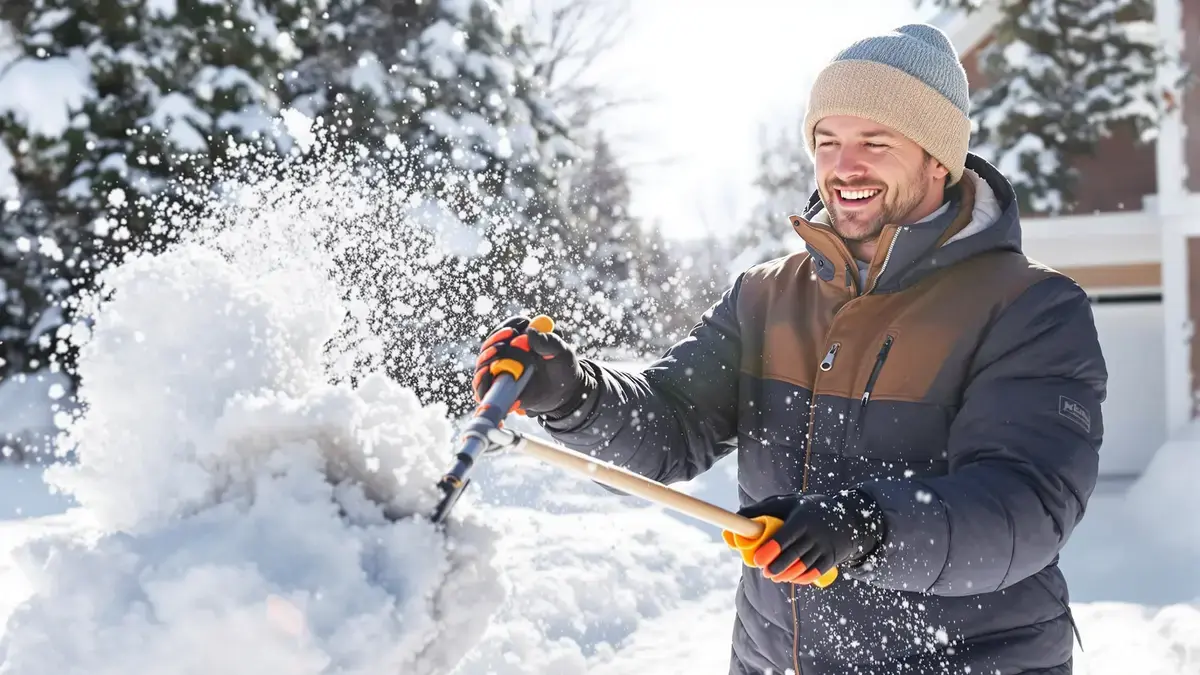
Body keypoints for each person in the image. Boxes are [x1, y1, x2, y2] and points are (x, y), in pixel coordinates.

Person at [472, 23, 1106, 675]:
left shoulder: (1028, 307)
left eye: (874, 142)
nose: (844, 166)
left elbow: (1024, 505)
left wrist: (864, 525)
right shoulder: (766, 295)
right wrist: (574, 394)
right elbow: (671, 424)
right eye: (826, 142)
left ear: (936, 158)